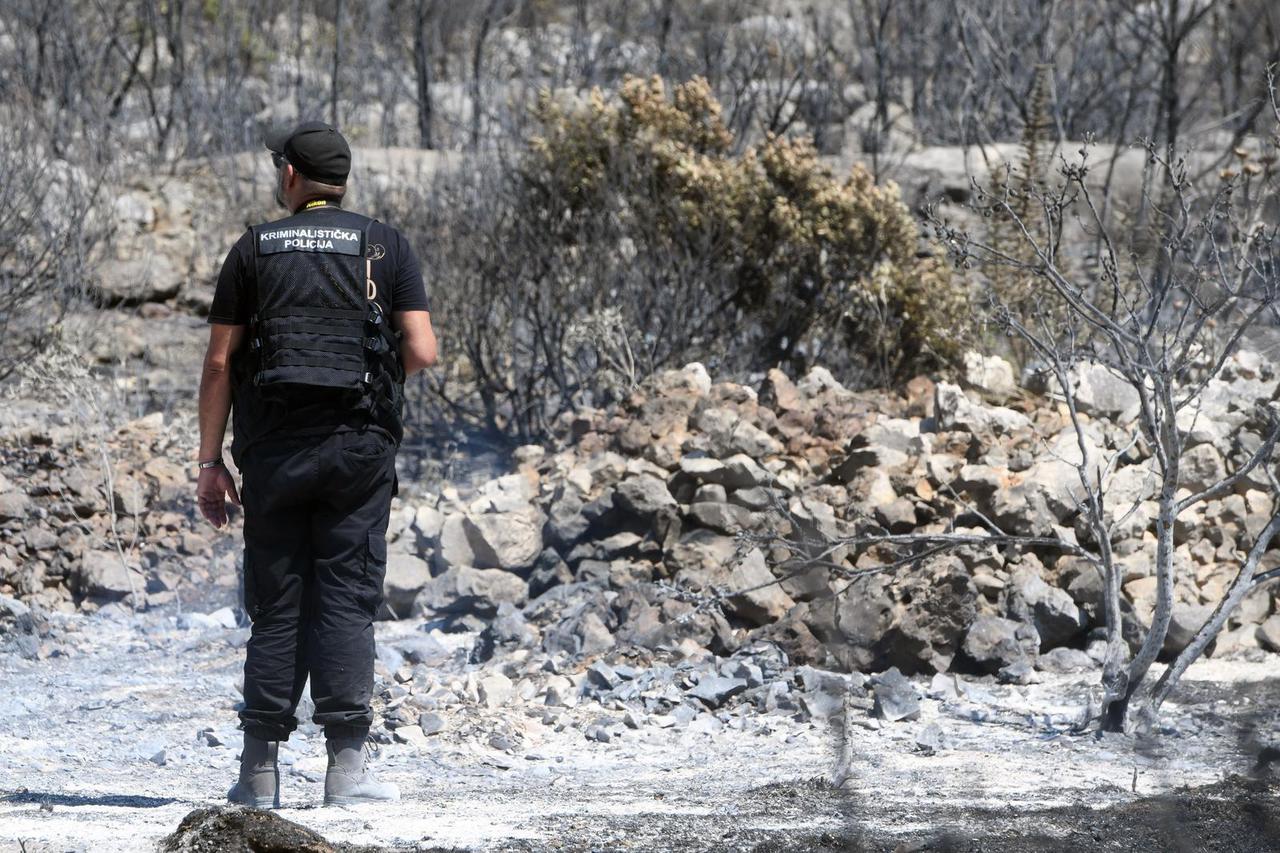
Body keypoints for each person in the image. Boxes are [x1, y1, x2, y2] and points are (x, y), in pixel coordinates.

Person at [195, 120, 437, 808]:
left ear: (291, 177)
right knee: (346, 598)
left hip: (273, 452)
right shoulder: (384, 245)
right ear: (345, 180)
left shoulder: (255, 248)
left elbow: (218, 363)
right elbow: (421, 349)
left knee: (277, 602)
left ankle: (258, 773)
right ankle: (347, 771)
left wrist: (211, 461)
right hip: (359, 450)